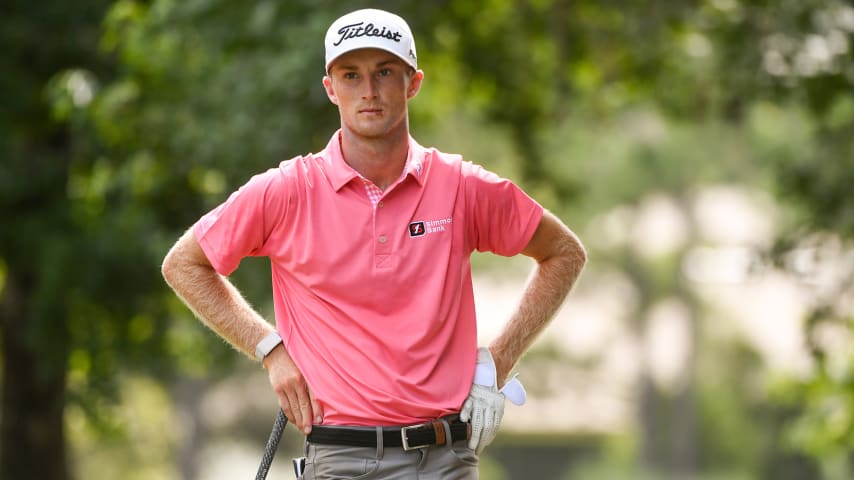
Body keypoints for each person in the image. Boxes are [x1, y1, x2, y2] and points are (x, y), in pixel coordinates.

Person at [162, 8, 586, 479]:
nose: (368, 91)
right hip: (341, 459)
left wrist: (499, 361)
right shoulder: (288, 190)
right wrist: (270, 350)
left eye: (385, 72)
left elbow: (564, 253)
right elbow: (185, 263)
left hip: (446, 458)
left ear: (413, 82)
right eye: (351, 75)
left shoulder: (461, 186)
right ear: (330, 88)